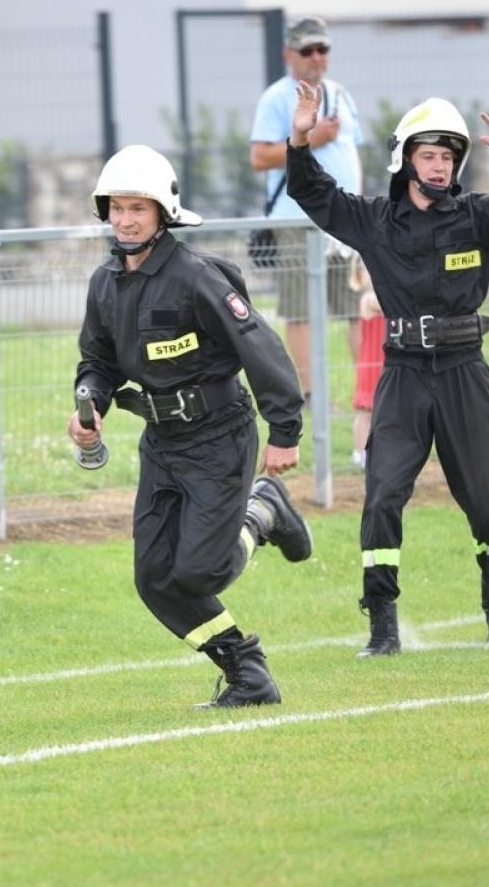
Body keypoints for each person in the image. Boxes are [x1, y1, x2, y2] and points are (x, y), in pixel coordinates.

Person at [284, 84, 489, 657]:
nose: (439, 167)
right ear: (406, 160)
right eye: (429, 155)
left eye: (448, 157)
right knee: (383, 496)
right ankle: (382, 626)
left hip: (465, 373)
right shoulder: (374, 223)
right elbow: (307, 189)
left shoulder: (481, 218)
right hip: (403, 376)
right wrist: (300, 136)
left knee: (485, 504)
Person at [68, 144, 314, 708]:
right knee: (155, 579)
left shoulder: (198, 276)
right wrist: (90, 403)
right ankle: (248, 676)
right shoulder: (104, 283)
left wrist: (284, 432)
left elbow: (262, 350)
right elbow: (97, 361)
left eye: (138, 208)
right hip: (162, 445)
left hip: (221, 437)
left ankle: (263, 509)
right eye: (117, 208)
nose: (125, 220)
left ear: (163, 213)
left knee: (200, 572)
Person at [249, 16, 365, 397]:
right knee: (300, 312)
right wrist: (311, 138)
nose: (316, 57)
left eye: (323, 49)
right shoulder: (277, 97)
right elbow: (261, 157)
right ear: (289, 55)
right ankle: (310, 397)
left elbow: (351, 150)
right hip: (296, 219)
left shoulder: (341, 94)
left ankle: (370, 390)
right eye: (307, 50)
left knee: (358, 307)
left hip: (345, 220)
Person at [348, 254, 385, 470]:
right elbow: (384, 303)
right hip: (371, 364)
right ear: (362, 276)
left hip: (387, 363)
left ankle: (381, 451)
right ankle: (361, 453)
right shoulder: (368, 300)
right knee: (365, 411)